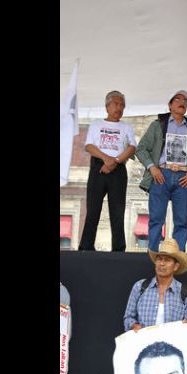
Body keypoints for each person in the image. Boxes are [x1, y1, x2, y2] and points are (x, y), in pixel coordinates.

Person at [136, 90, 187, 252]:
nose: (182, 102)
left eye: (185, 100)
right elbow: (141, 149)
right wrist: (152, 167)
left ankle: (177, 257)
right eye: (178, 99)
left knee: (181, 221)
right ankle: (152, 254)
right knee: (156, 219)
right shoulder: (158, 125)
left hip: (183, 178)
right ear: (170, 104)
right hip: (161, 174)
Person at [78, 90, 137, 252]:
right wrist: (106, 159)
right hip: (98, 167)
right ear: (107, 106)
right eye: (116, 104)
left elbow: (132, 147)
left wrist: (115, 161)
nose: (119, 108)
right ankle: (86, 247)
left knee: (117, 212)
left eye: (122, 105)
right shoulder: (96, 124)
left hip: (118, 169)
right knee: (93, 210)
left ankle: (119, 249)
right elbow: (89, 146)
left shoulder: (126, 127)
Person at [123, 238, 187, 331]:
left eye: (167, 260)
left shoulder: (185, 293)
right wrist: (133, 325)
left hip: (170, 344)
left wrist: (185, 325)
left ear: (175, 266)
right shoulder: (140, 287)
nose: (162, 264)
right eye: (159, 259)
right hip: (144, 343)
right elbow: (128, 317)